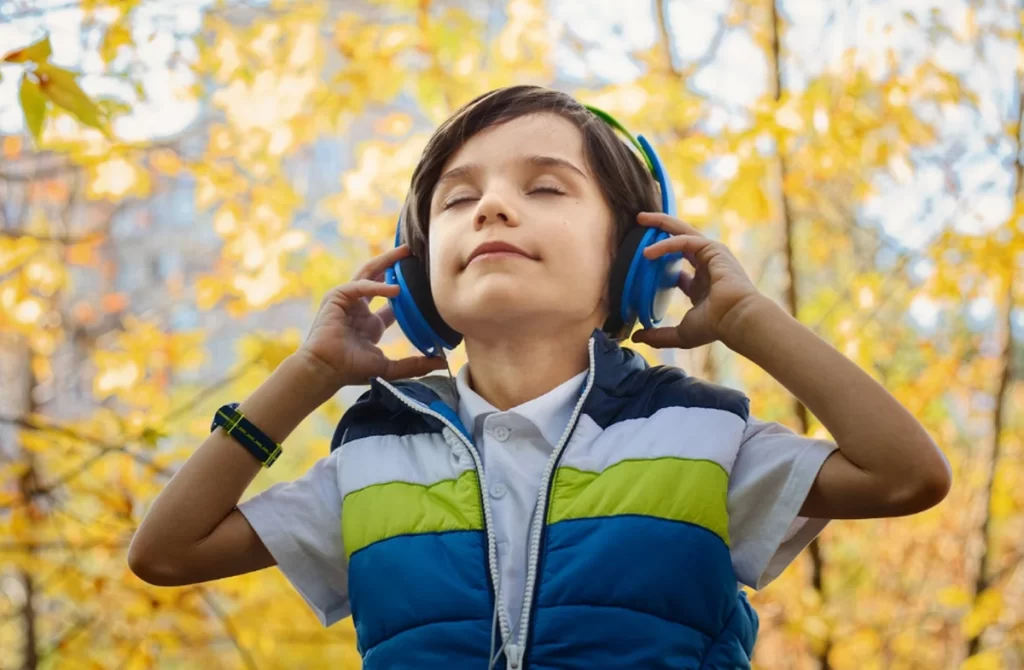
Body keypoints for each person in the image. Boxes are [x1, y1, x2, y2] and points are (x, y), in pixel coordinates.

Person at [128, 85, 951, 669]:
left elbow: (906, 474)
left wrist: (747, 319)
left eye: (545, 186)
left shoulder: (700, 440)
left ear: (631, 260)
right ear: (416, 283)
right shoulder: (372, 463)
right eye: (457, 200)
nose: (489, 208)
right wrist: (308, 376)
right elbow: (165, 552)